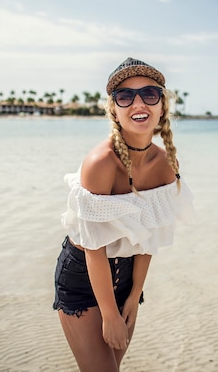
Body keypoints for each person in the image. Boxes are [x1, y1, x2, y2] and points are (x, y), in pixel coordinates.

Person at [53, 57, 195, 371]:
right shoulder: (101, 163)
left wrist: (133, 298)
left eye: (149, 93)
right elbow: (93, 248)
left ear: (161, 106)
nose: (138, 103)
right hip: (84, 279)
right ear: (114, 110)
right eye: (125, 96)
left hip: (129, 281)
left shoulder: (165, 164)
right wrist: (109, 315)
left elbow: (148, 240)